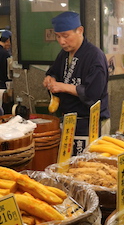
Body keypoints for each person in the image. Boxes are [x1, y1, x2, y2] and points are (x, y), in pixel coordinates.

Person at [43, 11, 110, 141]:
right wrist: (50, 78)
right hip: (69, 120)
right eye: (57, 36)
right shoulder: (64, 54)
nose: (61, 41)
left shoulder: (95, 56)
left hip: (91, 122)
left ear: (80, 30)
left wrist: (63, 87)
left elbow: (92, 93)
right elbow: (53, 71)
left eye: (65, 36)